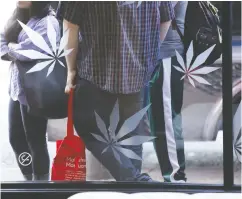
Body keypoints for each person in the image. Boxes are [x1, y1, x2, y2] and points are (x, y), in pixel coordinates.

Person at [58, 1, 174, 181]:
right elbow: (165, 20)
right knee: (131, 134)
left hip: (95, 70)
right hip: (136, 71)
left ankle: (134, 181)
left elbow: (70, 26)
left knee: (88, 129)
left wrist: (71, 69)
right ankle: (134, 188)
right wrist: (146, 54)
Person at [0, 1, 60, 181]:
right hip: (18, 89)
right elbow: (2, 41)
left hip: (36, 90)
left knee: (36, 141)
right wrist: (14, 48)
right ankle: (29, 178)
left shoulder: (48, 21)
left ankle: (41, 183)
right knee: (16, 139)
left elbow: (32, 51)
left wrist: (11, 47)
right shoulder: (17, 16)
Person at [145, 1, 188, 182]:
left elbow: (158, 12)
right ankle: (171, 174)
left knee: (166, 119)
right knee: (159, 119)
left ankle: (175, 177)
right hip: (158, 55)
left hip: (166, 54)